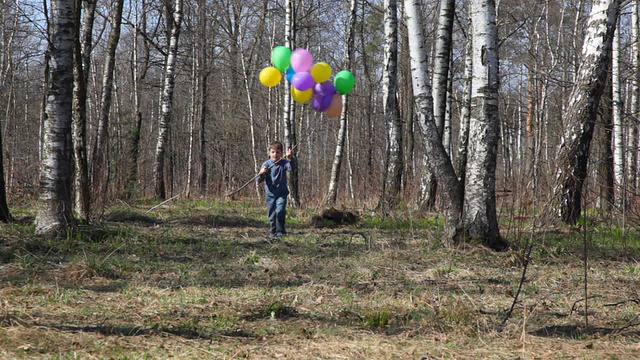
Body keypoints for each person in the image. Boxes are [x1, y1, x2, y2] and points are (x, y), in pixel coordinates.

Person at [257, 141, 295, 238]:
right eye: (273, 152)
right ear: (269, 153)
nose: (275, 154)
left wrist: (290, 158)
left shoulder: (284, 163)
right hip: (270, 194)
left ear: (281, 153)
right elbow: (258, 180)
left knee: (280, 210)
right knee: (272, 213)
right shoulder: (266, 164)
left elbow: (291, 168)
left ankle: (280, 231)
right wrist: (262, 173)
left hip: (282, 193)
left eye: (278, 152)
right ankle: (272, 231)